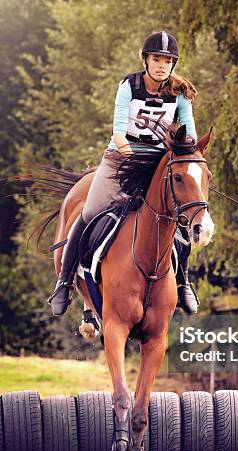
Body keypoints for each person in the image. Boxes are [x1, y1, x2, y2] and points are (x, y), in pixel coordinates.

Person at [49, 31, 200, 316]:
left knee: (178, 219)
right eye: (156, 59)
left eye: (167, 61)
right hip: (120, 159)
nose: (161, 65)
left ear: (173, 65)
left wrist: (186, 155)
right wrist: (134, 156)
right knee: (89, 211)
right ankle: (64, 282)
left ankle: (183, 283)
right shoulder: (129, 85)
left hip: (157, 164)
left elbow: (189, 132)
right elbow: (118, 132)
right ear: (146, 60)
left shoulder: (179, 95)